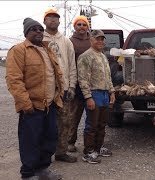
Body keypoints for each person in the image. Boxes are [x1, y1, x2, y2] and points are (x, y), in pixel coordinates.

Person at [6, 17, 63, 180]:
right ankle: (28, 173)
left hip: (50, 105)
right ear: (26, 33)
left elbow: (56, 75)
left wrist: (59, 95)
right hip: (32, 106)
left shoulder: (47, 49)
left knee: (50, 138)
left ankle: (42, 169)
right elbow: (14, 79)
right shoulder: (18, 50)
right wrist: (25, 103)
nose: (38, 31)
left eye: (40, 29)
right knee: (30, 141)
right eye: (34, 29)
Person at [43, 9, 77, 163]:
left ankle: (61, 152)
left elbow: (71, 64)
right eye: (49, 17)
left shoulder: (66, 41)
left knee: (64, 122)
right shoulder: (39, 38)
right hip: (45, 89)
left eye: (56, 18)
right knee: (44, 123)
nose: (53, 20)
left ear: (59, 21)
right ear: (44, 21)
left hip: (63, 89)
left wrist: (71, 86)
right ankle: (43, 155)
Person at [78, 29, 116, 164]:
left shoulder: (103, 55)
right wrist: (88, 97)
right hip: (94, 94)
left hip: (105, 94)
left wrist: (112, 92)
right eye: (97, 39)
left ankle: (98, 148)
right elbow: (82, 79)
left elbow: (108, 77)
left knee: (102, 124)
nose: (100, 41)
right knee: (92, 125)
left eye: (102, 39)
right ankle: (88, 152)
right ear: (91, 40)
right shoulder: (85, 56)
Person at [68, 15, 91, 152]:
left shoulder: (92, 40)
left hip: (91, 83)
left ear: (87, 26)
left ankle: (90, 144)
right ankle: (70, 142)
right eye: (79, 24)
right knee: (74, 115)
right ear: (75, 26)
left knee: (92, 116)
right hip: (76, 83)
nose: (81, 27)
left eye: (84, 24)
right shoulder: (70, 42)